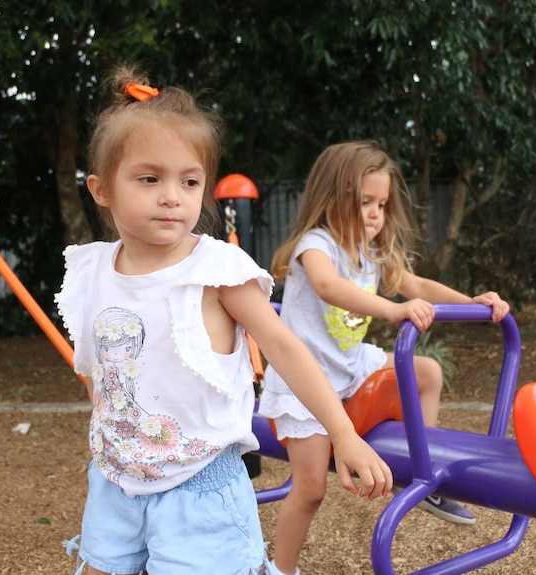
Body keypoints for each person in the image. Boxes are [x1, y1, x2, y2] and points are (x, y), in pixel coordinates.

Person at [55, 67, 393, 575]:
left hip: (199, 488)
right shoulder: (93, 271)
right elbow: (98, 370)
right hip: (115, 482)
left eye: (189, 181)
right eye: (150, 179)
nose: (173, 195)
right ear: (101, 190)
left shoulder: (215, 271)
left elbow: (285, 348)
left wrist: (342, 433)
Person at [257, 141, 510, 575]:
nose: (375, 214)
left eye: (381, 204)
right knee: (312, 488)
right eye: (364, 202)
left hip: (352, 369)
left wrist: (473, 301)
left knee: (426, 372)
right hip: (306, 380)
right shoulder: (316, 245)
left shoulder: (373, 255)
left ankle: (421, 469)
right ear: (332, 199)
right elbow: (328, 287)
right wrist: (392, 310)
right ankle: (279, 569)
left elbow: (420, 287)